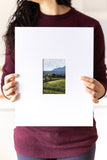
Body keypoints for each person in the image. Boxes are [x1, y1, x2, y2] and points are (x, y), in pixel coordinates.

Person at [1, 0, 107, 160]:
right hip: (31, 141)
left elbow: (101, 79)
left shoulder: (89, 26)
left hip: (77, 142)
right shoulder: (20, 27)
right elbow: (6, 81)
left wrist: (100, 90)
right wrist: (8, 90)